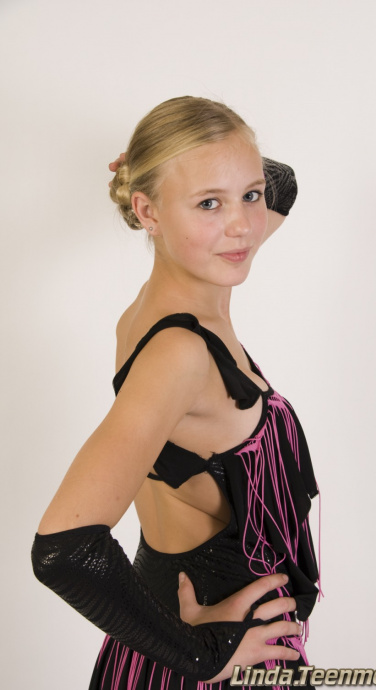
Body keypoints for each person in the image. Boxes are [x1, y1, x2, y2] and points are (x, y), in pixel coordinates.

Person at [31, 96, 320, 689]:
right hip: (207, 662)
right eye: (208, 203)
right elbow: (63, 549)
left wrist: (170, 169)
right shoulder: (180, 354)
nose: (243, 226)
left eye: (249, 195)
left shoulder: (169, 298)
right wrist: (203, 655)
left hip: (173, 637)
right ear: (148, 212)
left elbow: (284, 185)